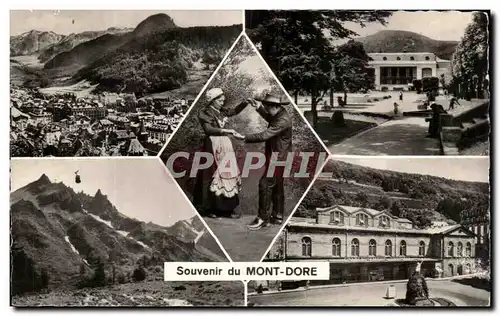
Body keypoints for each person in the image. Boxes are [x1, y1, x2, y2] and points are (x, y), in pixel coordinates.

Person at [234, 93, 292, 230]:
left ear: (274, 106)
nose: (265, 110)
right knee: (277, 185)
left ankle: (262, 218)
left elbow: (265, 135)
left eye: (266, 107)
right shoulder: (279, 114)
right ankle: (277, 216)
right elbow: (270, 118)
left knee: (264, 184)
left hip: (278, 158)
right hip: (282, 156)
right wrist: (258, 107)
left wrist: (243, 137)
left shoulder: (282, 120)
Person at [193, 88, 251, 219]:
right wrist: (227, 131)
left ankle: (227, 209)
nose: (222, 102)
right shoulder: (204, 113)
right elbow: (208, 129)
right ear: (212, 101)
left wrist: (245, 102)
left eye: (223, 100)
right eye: (220, 100)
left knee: (228, 174)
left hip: (225, 144)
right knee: (213, 174)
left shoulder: (221, 111)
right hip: (212, 144)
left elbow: (234, 111)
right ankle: (211, 209)